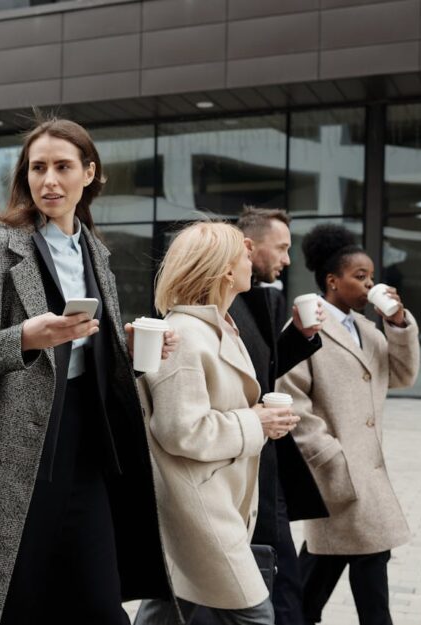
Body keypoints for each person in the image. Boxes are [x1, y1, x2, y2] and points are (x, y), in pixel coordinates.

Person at [0, 118, 175, 625]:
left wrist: (127, 344)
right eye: (37, 168)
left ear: (90, 174)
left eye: (62, 167)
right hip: (14, 455)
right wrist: (26, 338)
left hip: (89, 448)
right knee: (13, 602)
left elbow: (92, 346)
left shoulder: (96, 251)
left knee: (100, 604)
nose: (48, 180)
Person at [134, 221, 300, 625]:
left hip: (217, 499)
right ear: (226, 270)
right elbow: (180, 430)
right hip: (199, 507)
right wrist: (256, 422)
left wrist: (262, 421)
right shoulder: (187, 336)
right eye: (244, 254)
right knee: (255, 614)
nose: (250, 260)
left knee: (167, 610)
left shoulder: (219, 327)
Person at [276, 224, 419, 625]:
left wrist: (399, 322)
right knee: (360, 564)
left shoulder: (370, 331)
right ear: (332, 281)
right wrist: (328, 455)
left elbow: (403, 375)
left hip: (367, 478)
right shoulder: (306, 328)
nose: (369, 283)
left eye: (371, 277)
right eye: (360, 277)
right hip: (336, 473)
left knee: (334, 568)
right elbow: (293, 400)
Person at [231, 207, 328, 624]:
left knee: (279, 577)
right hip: (242, 464)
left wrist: (301, 336)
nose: (288, 259)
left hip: (267, 464)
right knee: (274, 582)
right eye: (283, 247)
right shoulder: (223, 302)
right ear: (250, 247)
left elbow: (263, 370)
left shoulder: (263, 297)